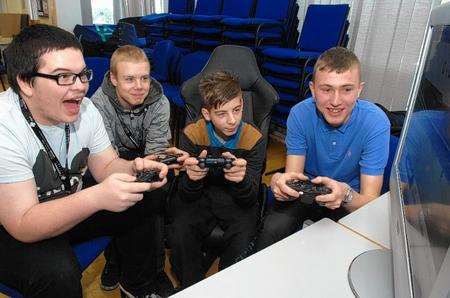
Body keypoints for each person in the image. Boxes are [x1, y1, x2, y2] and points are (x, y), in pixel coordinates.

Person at [0, 24, 169, 298]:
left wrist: (134, 167)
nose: (80, 87)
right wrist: (97, 197)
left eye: (81, 74)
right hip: (14, 223)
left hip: (65, 203)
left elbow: (105, 166)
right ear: (25, 82)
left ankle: (135, 288)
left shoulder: (86, 109)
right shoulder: (4, 125)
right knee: (57, 272)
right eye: (63, 77)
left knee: (146, 197)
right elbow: (23, 224)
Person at [256, 47, 390, 250]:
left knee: (348, 250)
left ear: (359, 90)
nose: (335, 101)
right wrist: (280, 183)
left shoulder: (376, 122)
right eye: (326, 89)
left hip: (349, 198)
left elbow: (369, 202)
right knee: (272, 229)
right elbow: (294, 177)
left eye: (347, 89)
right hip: (307, 192)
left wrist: (345, 194)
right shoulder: (300, 114)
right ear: (312, 89)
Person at [90, 45, 187, 296]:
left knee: (153, 196)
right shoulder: (96, 105)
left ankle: (153, 269)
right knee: (115, 197)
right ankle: (115, 259)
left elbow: (155, 153)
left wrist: (150, 168)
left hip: (148, 158)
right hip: (110, 161)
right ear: (113, 78)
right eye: (129, 79)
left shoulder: (160, 102)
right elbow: (104, 159)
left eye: (144, 78)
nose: (139, 86)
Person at [169, 71, 266, 288]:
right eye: (222, 114)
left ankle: (226, 287)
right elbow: (185, 193)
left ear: (242, 104)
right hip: (202, 195)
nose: (232, 120)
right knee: (180, 228)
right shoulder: (192, 134)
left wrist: (241, 181)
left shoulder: (254, 139)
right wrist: (193, 179)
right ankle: (191, 286)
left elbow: (250, 198)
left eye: (237, 110)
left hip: (236, 201)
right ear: (206, 113)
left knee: (245, 237)